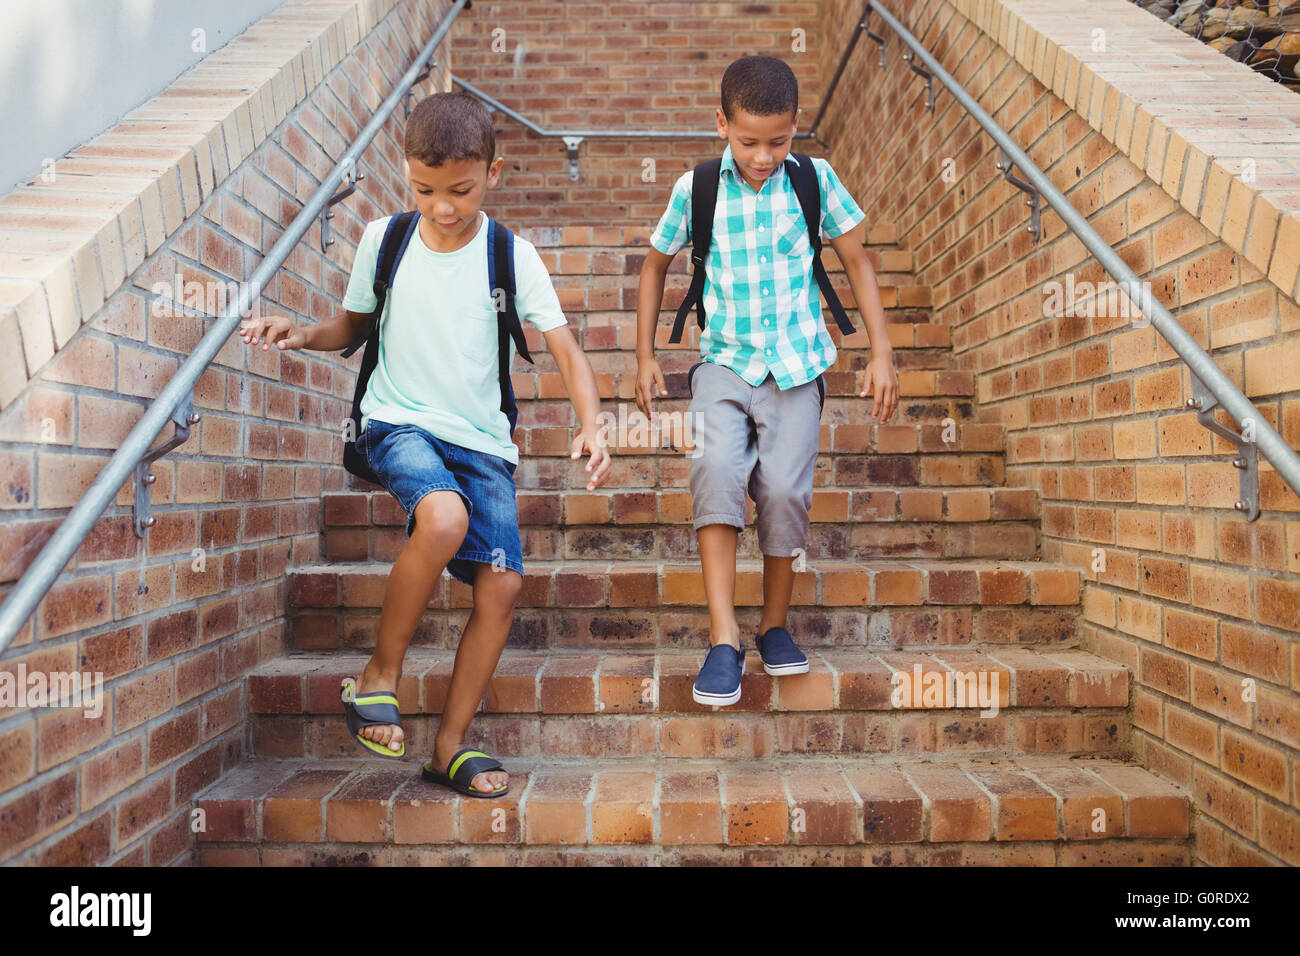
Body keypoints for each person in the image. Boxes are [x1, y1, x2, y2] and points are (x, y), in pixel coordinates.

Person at [240, 92, 610, 796]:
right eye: (425, 189)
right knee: (443, 518)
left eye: (461, 190)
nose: (443, 206)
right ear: (407, 176)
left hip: (483, 444)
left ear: (493, 174)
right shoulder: (386, 239)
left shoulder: (511, 253)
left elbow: (563, 345)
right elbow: (351, 327)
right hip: (397, 421)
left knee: (500, 586)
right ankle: (380, 673)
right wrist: (303, 333)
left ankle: (448, 746)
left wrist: (591, 421)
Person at [635, 55, 899, 707]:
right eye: (748, 141)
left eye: (777, 142)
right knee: (717, 470)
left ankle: (774, 625)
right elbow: (653, 267)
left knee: (783, 490)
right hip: (722, 363)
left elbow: (858, 263)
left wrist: (883, 351)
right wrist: (642, 356)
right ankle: (725, 637)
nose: (762, 155)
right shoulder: (697, 187)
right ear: (722, 123)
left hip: (798, 366)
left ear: (795, 128)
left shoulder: (815, 180)